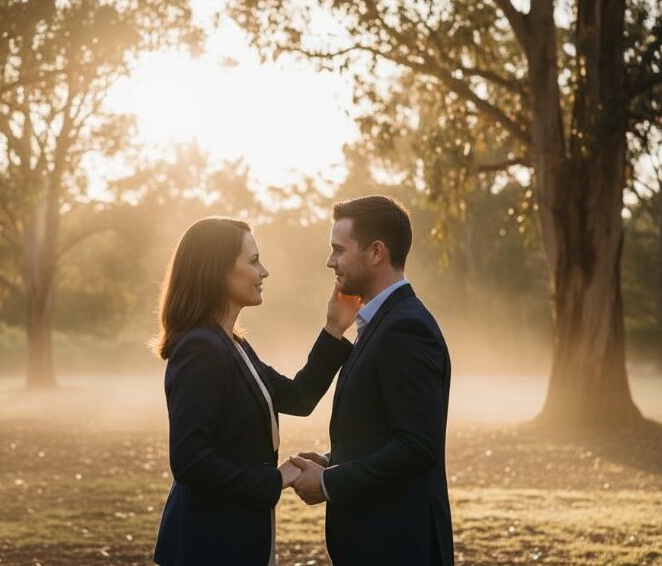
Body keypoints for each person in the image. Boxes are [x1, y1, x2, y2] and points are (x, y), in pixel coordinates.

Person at [152, 216, 360, 566]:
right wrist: (273, 480)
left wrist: (334, 328)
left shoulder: (233, 345)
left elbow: (299, 397)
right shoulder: (200, 349)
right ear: (217, 271)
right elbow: (190, 461)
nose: (264, 272)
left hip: (234, 535)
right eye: (253, 261)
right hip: (206, 543)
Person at [287, 196, 455, 565]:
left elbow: (417, 445)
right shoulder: (381, 322)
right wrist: (336, 460)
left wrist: (330, 483)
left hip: (398, 547)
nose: (330, 261)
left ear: (376, 251)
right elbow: (388, 429)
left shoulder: (406, 327)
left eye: (338, 249)